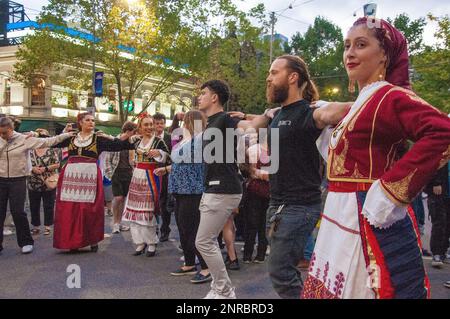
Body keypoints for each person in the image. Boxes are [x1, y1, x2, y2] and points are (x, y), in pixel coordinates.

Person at [301, 18, 450, 299]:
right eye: (346, 46)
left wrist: (392, 190)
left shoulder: (388, 97)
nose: (350, 53)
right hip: (339, 216)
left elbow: (443, 132)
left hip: (368, 217)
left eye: (361, 44)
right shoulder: (362, 102)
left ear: (384, 54)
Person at [230, 55, 347, 299]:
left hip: (300, 206)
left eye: (274, 72)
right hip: (278, 205)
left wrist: (375, 99)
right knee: (283, 271)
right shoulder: (276, 115)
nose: (268, 77)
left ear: (293, 77)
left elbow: (332, 113)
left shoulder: (310, 113)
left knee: (280, 271)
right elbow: (250, 125)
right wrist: (226, 119)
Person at [52, 112, 136, 252]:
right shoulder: (71, 137)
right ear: (80, 122)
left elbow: (118, 145)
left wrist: (131, 138)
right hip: (71, 178)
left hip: (89, 177)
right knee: (71, 209)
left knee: (90, 209)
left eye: (93, 120)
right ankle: (72, 242)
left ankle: (91, 239)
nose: (91, 122)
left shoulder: (99, 139)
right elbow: (52, 141)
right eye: (88, 120)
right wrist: (31, 137)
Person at [195, 80, 243, 299]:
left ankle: (224, 291)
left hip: (223, 188)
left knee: (203, 241)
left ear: (214, 97)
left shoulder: (224, 119)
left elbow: (247, 128)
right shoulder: (212, 122)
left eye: (203, 93)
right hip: (214, 188)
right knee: (207, 240)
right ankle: (219, 288)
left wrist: (252, 118)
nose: (199, 97)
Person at [0, 117, 73, 254]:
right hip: (1, 179)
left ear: (11, 129)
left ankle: (26, 242)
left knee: (18, 212)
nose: (1, 135)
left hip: (18, 179)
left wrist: (67, 135)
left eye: (4, 133)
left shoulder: (24, 139)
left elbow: (48, 141)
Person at [155, 110, 211, 284]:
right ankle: (189, 262)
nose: (183, 124)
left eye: (186, 121)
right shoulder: (185, 139)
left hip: (193, 189)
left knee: (192, 229)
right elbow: (178, 163)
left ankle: (206, 267)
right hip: (179, 188)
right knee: (182, 227)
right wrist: (165, 168)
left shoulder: (201, 139)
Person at [122, 114, 169, 257]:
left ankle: (151, 243)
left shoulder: (159, 142)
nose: (149, 127)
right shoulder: (136, 141)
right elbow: (123, 142)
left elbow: (169, 156)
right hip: (137, 176)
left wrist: (160, 153)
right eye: (146, 125)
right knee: (135, 210)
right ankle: (139, 242)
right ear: (140, 127)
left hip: (151, 176)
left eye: (151, 124)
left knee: (147, 210)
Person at [104, 121, 137, 234]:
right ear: (128, 131)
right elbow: (108, 159)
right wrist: (110, 174)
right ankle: (115, 223)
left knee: (123, 199)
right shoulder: (116, 141)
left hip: (128, 173)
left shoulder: (132, 143)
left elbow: (134, 160)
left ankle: (119, 222)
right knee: (118, 198)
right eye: (133, 132)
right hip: (116, 172)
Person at [28, 129, 61, 237]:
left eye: (44, 137)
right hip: (33, 183)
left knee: (49, 205)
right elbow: (24, 163)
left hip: (49, 182)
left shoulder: (51, 150)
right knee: (34, 206)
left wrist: (45, 168)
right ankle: (36, 226)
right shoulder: (30, 151)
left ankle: (48, 226)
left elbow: (57, 164)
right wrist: (33, 168)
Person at [241, 141, 270, 264]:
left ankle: (249, 254)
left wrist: (255, 173)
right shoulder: (271, 150)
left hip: (255, 191)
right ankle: (259, 254)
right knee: (262, 223)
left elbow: (247, 169)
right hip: (267, 191)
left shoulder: (254, 149)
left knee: (252, 223)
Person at [425, 162, 450, 268]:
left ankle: (444, 251)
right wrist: (436, 182)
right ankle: (437, 253)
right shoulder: (442, 148)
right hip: (439, 191)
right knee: (439, 222)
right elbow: (434, 163)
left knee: (448, 223)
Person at [153, 112, 173, 242]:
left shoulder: (170, 138)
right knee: (153, 202)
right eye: (157, 123)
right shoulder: (149, 138)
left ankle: (165, 229)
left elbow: (173, 155)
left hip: (166, 173)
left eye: (162, 123)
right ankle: (152, 229)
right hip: (152, 172)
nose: (159, 126)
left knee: (165, 202)